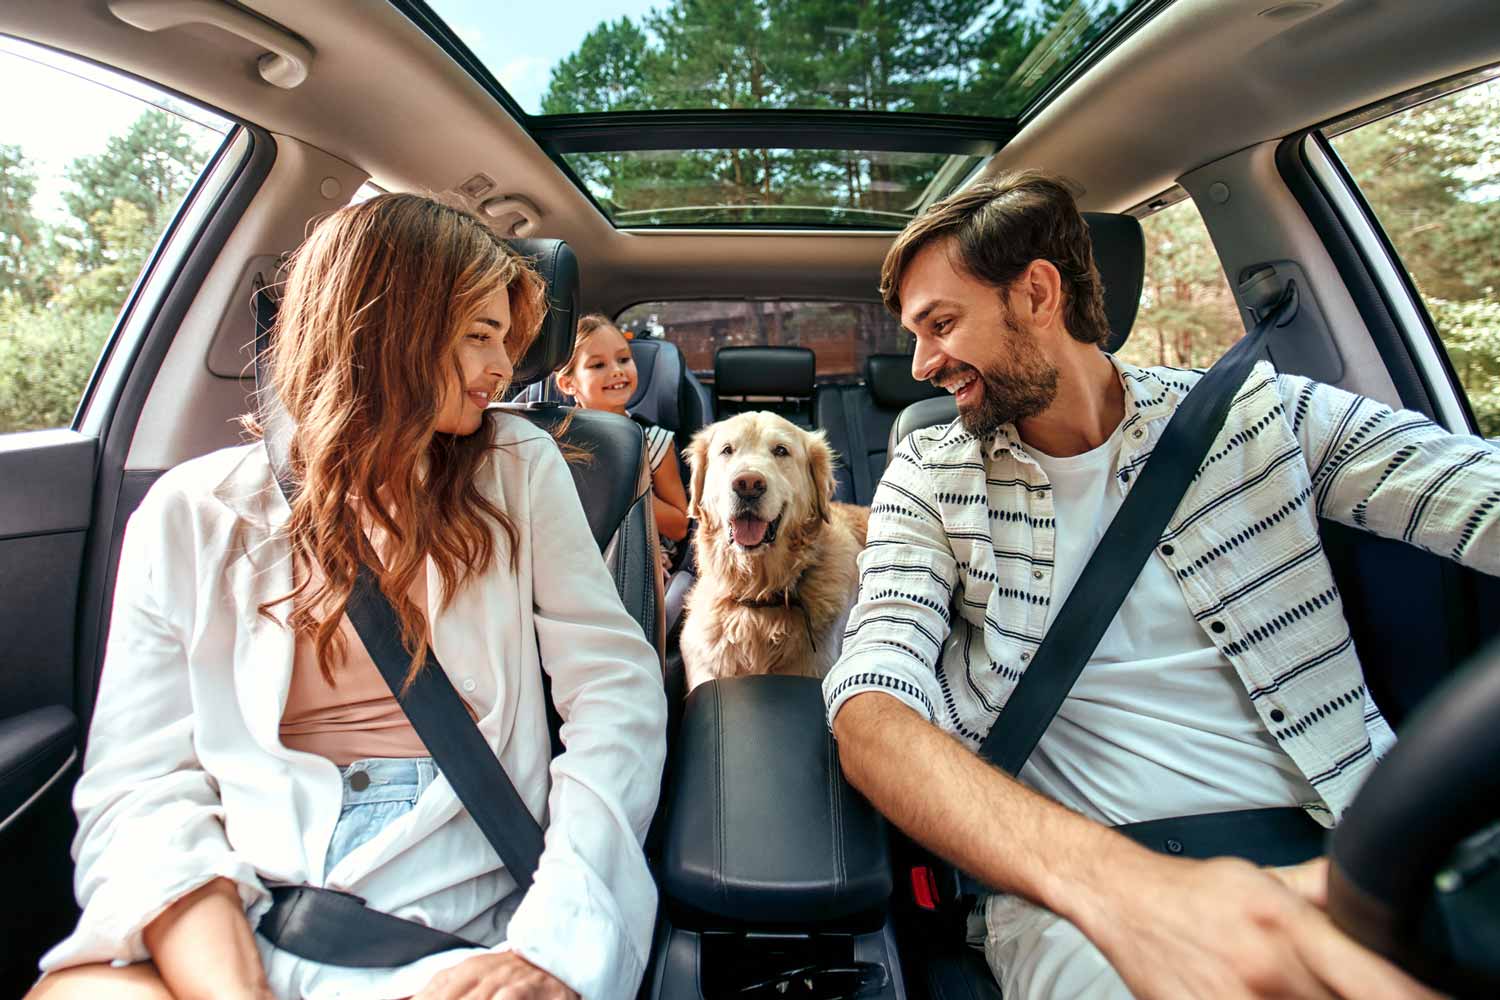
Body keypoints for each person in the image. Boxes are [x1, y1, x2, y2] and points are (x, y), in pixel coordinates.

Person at [823, 170, 1499, 999]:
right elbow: (871, 706)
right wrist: (1130, 895)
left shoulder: (1259, 414)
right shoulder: (929, 471)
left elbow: (1467, 489)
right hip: (1083, 889)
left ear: (1037, 293)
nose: (923, 363)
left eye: (942, 324)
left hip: (1353, 852)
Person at [29, 194, 668, 1000]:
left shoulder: (519, 467)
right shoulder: (190, 513)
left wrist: (553, 945)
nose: (503, 369)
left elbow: (615, 694)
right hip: (240, 901)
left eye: (505, 340)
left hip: (452, 921)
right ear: (379, 327)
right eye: (478, 335)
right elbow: (141, 785)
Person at [555, 315, 690, 583]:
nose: (616, 370)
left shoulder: (654, 441)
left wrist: (623, 489)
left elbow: (678, 526)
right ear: (569, 383)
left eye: (624, 359)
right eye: (598, 365)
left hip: (639, 560)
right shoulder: (554, 443)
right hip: (570, 558)